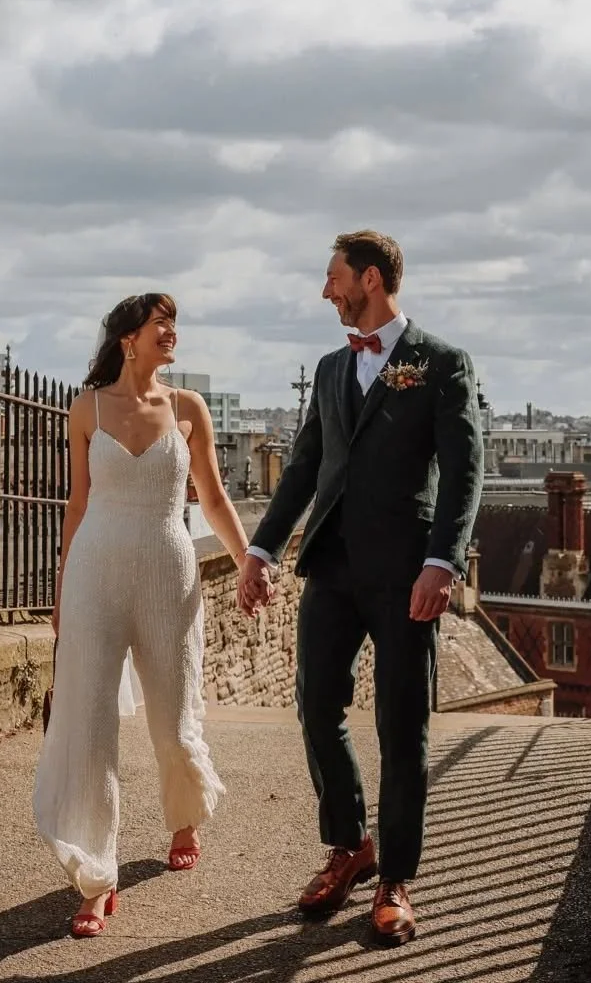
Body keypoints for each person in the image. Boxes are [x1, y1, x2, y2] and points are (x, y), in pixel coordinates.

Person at [237, 231, 484, 947]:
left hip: (408, 571)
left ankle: (396, 879)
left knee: (402, 726)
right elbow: (307, 465)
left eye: (333, 277)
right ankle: (349, 846)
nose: (325, 291)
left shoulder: (441, 364)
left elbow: (466, 471)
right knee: (316, 704)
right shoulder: (327, 369)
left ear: (369, 280)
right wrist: (262, 550)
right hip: (332, 568)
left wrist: (444, 562)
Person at [33, 292, 253, 937]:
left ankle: (183, 818)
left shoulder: (188, 408)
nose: (173, 333)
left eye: (175, 324)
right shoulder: (86, 407)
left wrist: (247, 562)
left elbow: (211, 497)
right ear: (129, 336)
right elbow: (77, 504)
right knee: (90, 723)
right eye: (162, 323)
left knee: (173, 715)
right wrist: (62, 583)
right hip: (95, 574)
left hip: (168, 570)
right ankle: (96, 877)